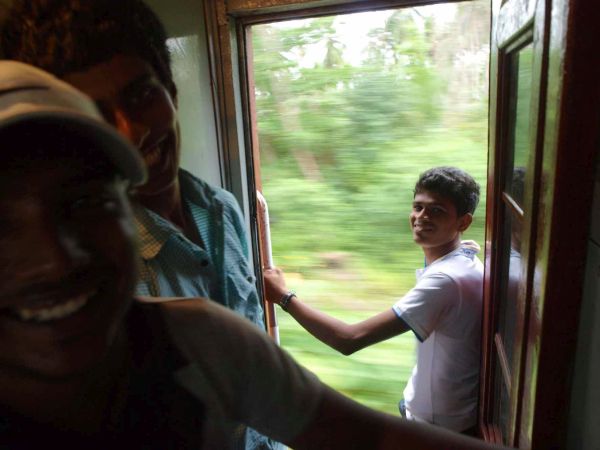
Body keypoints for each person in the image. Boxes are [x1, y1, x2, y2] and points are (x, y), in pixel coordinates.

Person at [0, 60, 508, 450]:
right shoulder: (458, 267)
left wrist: (282, 297)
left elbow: (362, 426)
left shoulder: (204, 336)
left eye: (87, 203)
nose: (53, 257)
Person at [1, 1, 271, 447]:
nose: (131, 131)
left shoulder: (222, 208)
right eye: (94, 111)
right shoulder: (97, 265)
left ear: (171, 91)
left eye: (141, 95)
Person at [264, 166, 484, 434]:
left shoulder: (446, 280)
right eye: (418, 207)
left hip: (437, 430)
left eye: (437, 211)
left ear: (463, 222)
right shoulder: (462, 259)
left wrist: (283, 297)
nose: (421, 217)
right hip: (433, 416)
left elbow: (349, 339)